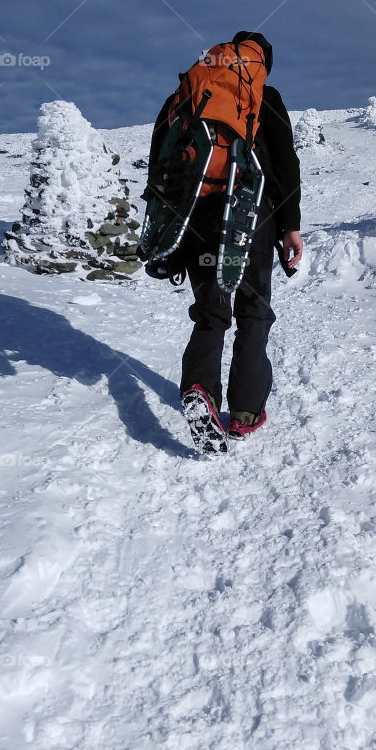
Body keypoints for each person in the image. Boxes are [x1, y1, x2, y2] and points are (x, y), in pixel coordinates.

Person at [147, 31, 303, 442]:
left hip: (197, 215)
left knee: (212, 310)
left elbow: (160, 162)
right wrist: (290, 226)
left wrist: (166, 229)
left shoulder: (187, 95)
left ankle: (201, 390)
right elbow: (285, 163)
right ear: (262, 65)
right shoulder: (264, 98)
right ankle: (246, 412)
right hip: (250, 216)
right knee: (254, 310)